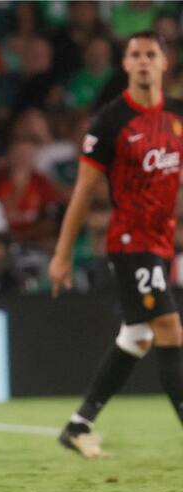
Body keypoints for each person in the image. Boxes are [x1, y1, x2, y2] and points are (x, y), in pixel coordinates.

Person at [50, 31, 183, 459]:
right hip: (130, 242)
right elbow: (84, 192)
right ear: (125, 64)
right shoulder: (110, 121)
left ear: (164, 62)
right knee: (168, 328)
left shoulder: (177, 115)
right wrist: (63, 253)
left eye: (151, 54)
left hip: (161, 242)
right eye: (136, 55)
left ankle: (79, 423)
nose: (143, 61)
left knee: (138, 335)